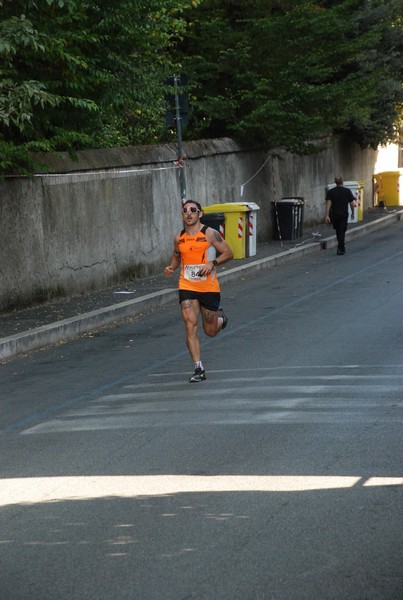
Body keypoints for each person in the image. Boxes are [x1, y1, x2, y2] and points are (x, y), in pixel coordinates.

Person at [164, 200, 234, 382]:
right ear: (182, 215)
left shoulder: (210, 234)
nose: (189, 213)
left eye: (193, 210)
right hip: (187, 285)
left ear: (200, 214)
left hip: (208, 287)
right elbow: (176, 255)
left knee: (210, 330)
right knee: (190, 325)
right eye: (185, 211)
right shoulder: (178, 237)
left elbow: (228, 253)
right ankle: (198, 368)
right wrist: (171, 267)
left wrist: (212, 263)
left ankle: (221, 319)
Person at [325, 176, 355, 255]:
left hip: (334, 214)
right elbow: (352, 203)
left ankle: (340, 246)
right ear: (342, 182)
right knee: (342, 231)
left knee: (338, 231)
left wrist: (327, 215)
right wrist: (353, 212)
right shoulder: (347, 191)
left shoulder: (331, 192)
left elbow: (328, 203)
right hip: (344, 214)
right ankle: (341, 247)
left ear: (335, 182)